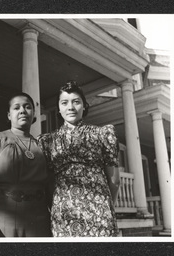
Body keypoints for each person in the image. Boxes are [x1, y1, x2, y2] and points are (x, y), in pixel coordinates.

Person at [37, 81, 120, 237]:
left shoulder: (103, 134)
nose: (70, 107)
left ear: (84, 106)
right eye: (64, 103)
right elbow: (47, 182)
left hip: (99, 212)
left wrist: (105, 207)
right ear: (59, 109)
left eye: (76, 102)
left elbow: (115, 180)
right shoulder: (47, 141)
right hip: (64, 214)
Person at [0, 92, 52, 237]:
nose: (22, 110)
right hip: (6, 217)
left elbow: (49, 185)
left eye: (27, 107)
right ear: (9, 115)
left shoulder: (41, 145)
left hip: (40, 218)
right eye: (16, 108)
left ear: (34, 114)